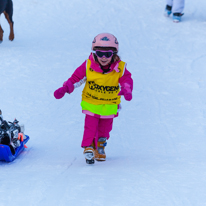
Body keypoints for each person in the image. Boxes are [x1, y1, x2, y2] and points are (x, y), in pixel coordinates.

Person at [54, 33, 133, 164]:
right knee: (90, 127)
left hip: (109, 105)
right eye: (99, 53)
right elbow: (76, 79)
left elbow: (126, 80)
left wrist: (127, 89)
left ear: (114, 53)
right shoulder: (88, 66)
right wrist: (65, 88)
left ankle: (100, 146)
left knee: (105, 129)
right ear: (94, 52)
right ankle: (89, 147)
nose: (103, 57)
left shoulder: (120, 68)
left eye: (107, 54)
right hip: (91, 102)